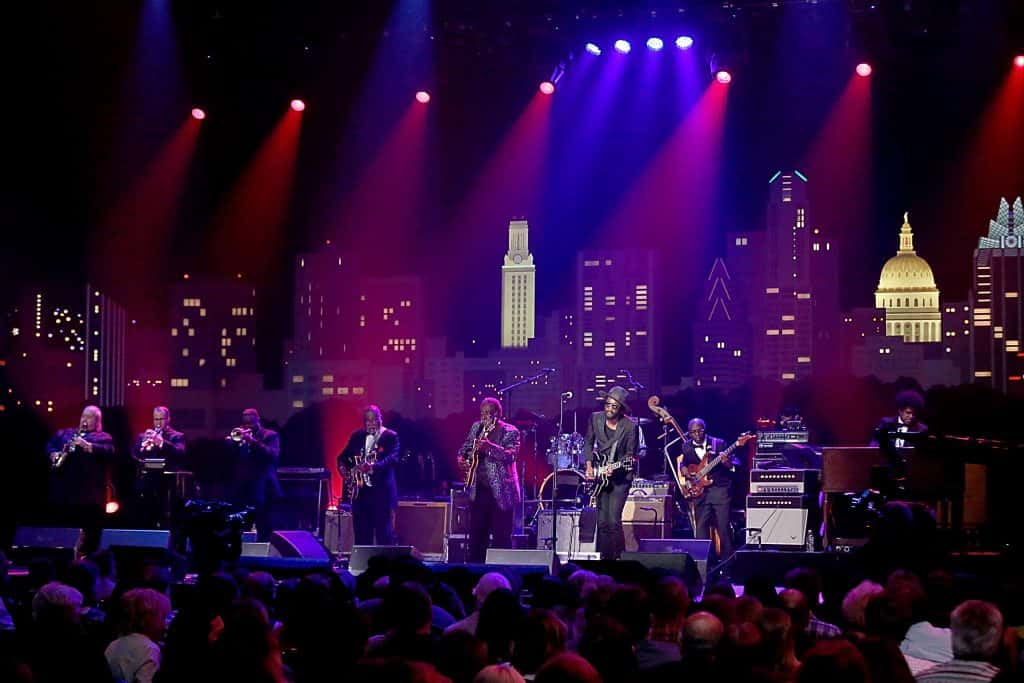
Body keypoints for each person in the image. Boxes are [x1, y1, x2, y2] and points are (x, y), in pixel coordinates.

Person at [45, 405, 115, 555]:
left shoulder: (103, 437)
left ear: (97, 421)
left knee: (90, 533)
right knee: (66, 531)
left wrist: (87, 445)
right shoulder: (66, 433)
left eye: (89, 417)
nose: (84, 419)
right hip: (66, 493)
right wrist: (53, 454)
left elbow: (109, 451)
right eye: (83, 415)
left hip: (90, 496)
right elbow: (49, 445)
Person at [458, 398, 521, 563]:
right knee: (477, 538)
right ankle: (475, 575)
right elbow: (465, 448)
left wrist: (489, 447)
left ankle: (502, 577)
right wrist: (461, 458)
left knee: (501, 538)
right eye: (482, 413)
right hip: (478, 490)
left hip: (501, 492)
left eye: (488, 413)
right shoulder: (476, 427)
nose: (484, 417)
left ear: (497, 414)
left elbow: (510, 456)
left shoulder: (510, 431)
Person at [677, 417, 742, 565]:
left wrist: (727, 463)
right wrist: (684, 470)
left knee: (723, 528)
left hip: (720, 490)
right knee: (700, 530)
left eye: (700, 430)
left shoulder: (718, 443)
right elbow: (683, 465)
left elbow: (737, 463)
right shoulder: (686, 447)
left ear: (705, 430)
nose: (697, 434)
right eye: (693, 432)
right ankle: (704, 564)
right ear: (689, 433)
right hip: (700, 493)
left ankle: (727, 566)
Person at [583, 386, 638, 560]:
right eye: (607, 405)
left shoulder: (629, 426)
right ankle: (604, 559)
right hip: (600, 476)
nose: (609, 409)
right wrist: (589, 466)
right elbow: (588, 443)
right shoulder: (595, 418)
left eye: (614, 406)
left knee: (613, 521)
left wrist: (614, 468)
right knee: (602, 522)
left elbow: (631, 456)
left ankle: (618, 558)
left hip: (620, 478)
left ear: (621, 409)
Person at [338, 405, 400, 545]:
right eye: (368, 420)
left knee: (383, 535)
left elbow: (392, 459)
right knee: (361, 534)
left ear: (380, 419)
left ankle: (386, 565)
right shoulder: (357, 436)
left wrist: (372, 467)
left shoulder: (390, 436)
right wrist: (343, 468)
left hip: (381, 493)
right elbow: (343, 457)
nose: (371, 423)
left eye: (374, 420)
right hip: (361, 494)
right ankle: (362, 565)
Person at [226, 408, 280, 541]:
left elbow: (272, 455)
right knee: (238, 517)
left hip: (262, 485)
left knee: (262, 519)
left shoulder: (270, 435)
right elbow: (232, 460)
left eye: (250, 424)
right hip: (241, 485)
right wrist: (231, 444)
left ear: (258, 421)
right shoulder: (240, 437)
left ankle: (264, 547)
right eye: (245, 425)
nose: (247, 427)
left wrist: (252, 441)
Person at [132, 406, 188, 532]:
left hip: (167, 483)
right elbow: (134, 454)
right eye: (155, 419)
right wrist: (142, 445)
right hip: (147, 482)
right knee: (146, 517)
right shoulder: (144, 435)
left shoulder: (177, 436)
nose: (158, 423)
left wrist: (162, 443)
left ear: (168, 419)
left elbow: (180, 453)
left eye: (161, 419)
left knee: (165, 517)